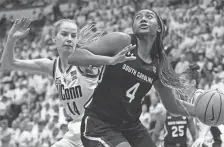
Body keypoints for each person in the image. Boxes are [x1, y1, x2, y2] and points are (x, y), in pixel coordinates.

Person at [68, 9, 201, 147]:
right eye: (138, 17)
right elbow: (74, 56)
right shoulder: (121, 41)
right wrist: (109, 60)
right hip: (99, 124)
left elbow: (173, 106)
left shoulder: (160, 62)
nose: (143, 19)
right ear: (133, 27)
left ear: (159, 27)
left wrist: (203, 112)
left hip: (131, 127)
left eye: (149, 16)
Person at [1, 18, 135, 147]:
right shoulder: (52, 66)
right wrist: (11, 38)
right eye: (64, 34)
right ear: (54, 38)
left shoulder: (85, 62)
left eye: (73, 35)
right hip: (74, 131)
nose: (69, 39)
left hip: (97, 128)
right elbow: (8, 64)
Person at [177, 63, 224, 147]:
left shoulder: (198, 95)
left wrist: (201, 136)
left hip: (219, 138)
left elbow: (210, 116)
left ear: (193, 82)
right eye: (179, 82)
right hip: (209, 139)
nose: (180, 85)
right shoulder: (190, 99)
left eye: (183, 82)